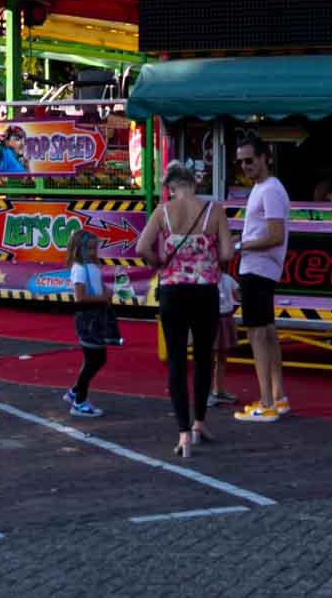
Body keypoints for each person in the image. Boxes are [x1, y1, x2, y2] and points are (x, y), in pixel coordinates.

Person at [135, 163, 231, 457]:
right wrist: (212, 263)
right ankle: (200, 422)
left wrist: (159, 263)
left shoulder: (162, 212)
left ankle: (183, 434)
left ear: (170, 187)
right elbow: (227, 253)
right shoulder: (214, 210)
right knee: (203, 357)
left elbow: (141, 247)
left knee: (176, 361)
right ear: (193, 183)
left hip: (173, 291)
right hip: (205, 291)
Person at [232, 135, 290, 423]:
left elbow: (275, 235)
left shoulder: (270, 190)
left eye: (249, 160)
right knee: (266, 332)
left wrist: (240, 245)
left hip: (258, 269)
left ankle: (267, 401)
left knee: (258, 334)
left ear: (265, 157)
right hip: (259, 268)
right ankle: (276, 397)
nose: (245, 166)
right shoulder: (265, 188)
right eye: (241, 162)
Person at [63, 229, 117, 418]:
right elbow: (80, 297)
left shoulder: (91, 266)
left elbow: (96, 287)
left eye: (95, 248)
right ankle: (79, 402)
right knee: (94, 359)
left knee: (96, 358)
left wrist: (106, 291)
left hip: (96, 317)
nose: (94, 252)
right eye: (90, 249)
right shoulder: (79, 269)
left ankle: (75, 391)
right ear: (79, 249)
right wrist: (103, 298)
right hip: (88, 319)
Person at [209, 268, 242, 408]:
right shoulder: (205, 279)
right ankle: (206, 393)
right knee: (208, 359)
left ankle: (219, 390)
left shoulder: (228, 279)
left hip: (226, 318)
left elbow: (239, 297)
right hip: (210, 320)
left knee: (222, 357)